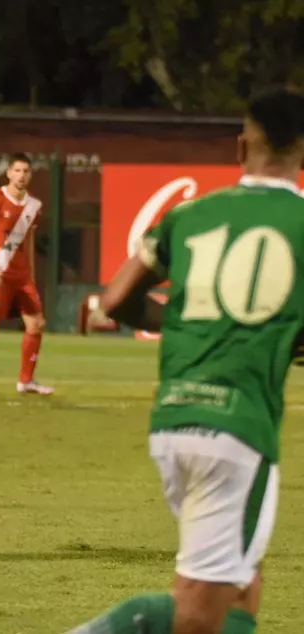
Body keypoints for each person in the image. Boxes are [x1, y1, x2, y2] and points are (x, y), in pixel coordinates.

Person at [67, 86, 304, 634]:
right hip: (238, 429)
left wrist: (172, 322)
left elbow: (116, 299)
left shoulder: (192, 214)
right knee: (199, 611)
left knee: (242, 588)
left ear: (242, 148)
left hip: (174, 418)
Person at [0, 152, 52, 398]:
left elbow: (28, 242)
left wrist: (32, 277)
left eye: (25, 171)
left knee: (36, 324)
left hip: (22, 276)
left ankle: (26, 381)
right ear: (8, 173)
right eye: (17, 170)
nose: (21, 175)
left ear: (30, 175)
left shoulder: (34, 206)